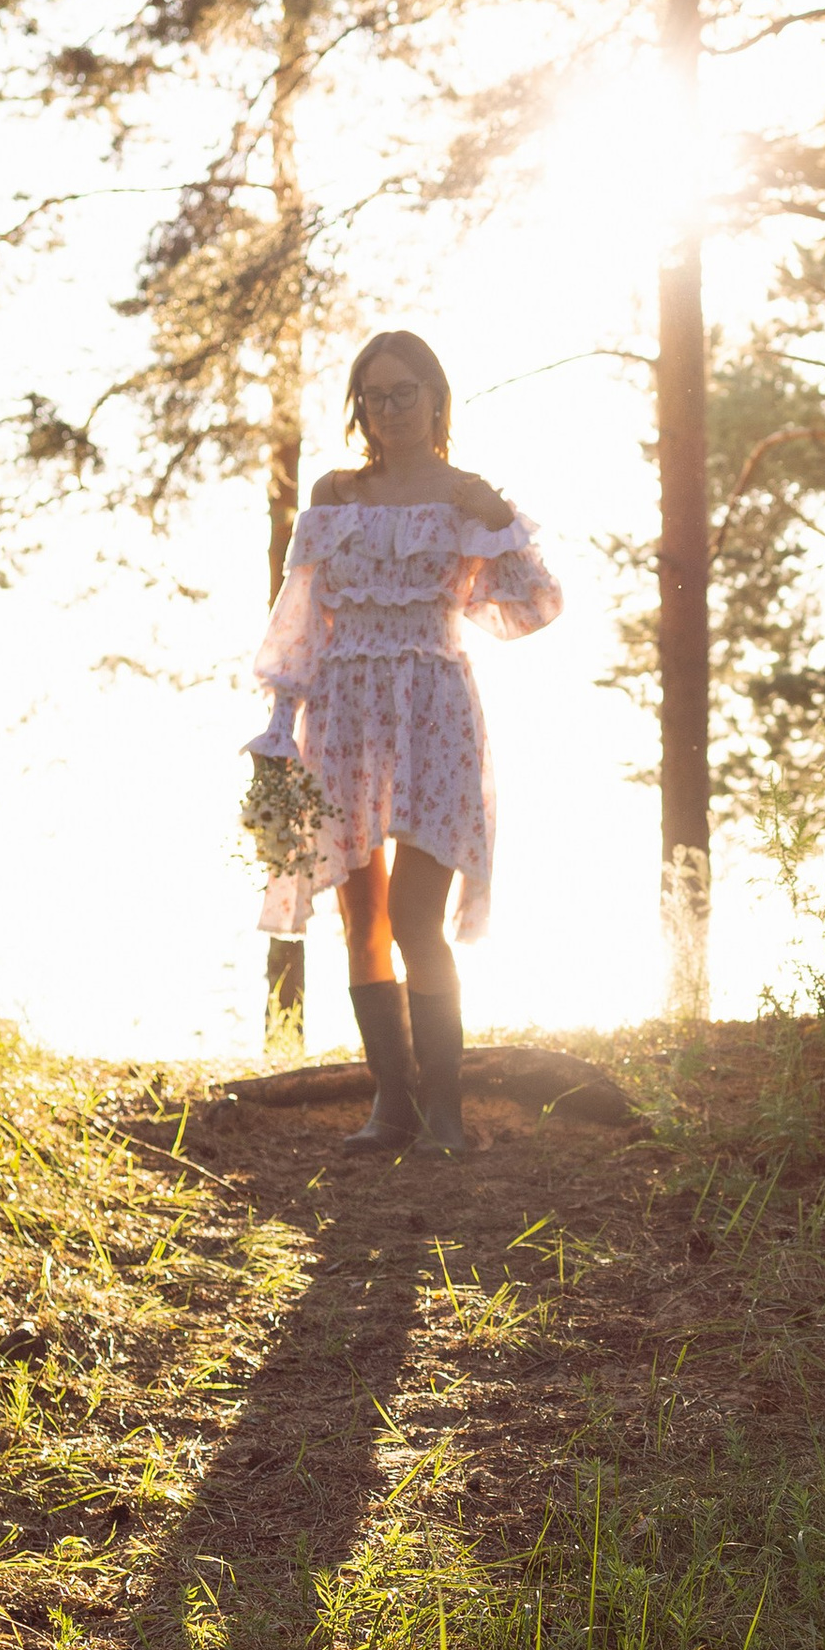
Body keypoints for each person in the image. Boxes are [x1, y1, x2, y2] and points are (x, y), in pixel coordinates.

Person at [246, 329, 561, 1154]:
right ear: (360, 408)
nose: (389, 410)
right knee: (364, 920)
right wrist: (279, 730)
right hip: (342, 712)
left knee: (418, 917)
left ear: (435, 396)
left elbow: (532, 607)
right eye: (374, 397)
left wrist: (503, 523)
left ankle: (444, 1114)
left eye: (403, 393)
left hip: (434, 711)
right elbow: (300, 617)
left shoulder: (464, 498)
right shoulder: (336, 493)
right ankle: (393, 1107)